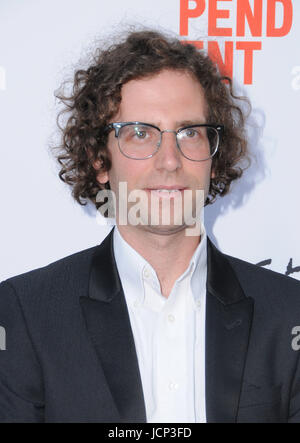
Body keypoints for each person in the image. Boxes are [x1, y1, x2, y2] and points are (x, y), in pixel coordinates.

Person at [0, 29, 300, 424]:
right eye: (140, 134)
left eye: (190, 133)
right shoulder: (25, 314)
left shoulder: (288, 311)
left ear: (214, 156)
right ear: (99, 160)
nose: (170, 161)